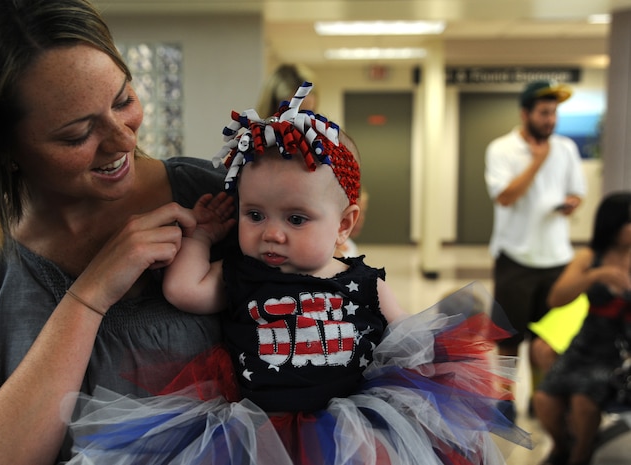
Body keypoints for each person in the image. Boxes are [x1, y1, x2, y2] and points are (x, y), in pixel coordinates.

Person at [65, 83, 531, 465]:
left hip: (353, 425)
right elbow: (184, 290)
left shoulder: (363, 281)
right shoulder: (240, 274)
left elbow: (410, 338)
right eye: (254, 215)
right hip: (257, 428)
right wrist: (203, 239)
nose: (272, 234)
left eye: (296, 219)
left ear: (343, 225)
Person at [0, 1, 236, 464]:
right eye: (77, 134)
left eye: (123, 101)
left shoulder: (225, 202)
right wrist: (89, 295)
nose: (123, 141)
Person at [484, 79, 587, 420]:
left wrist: (572, 203)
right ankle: (506, 398)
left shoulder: (567, 148)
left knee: (545, 339)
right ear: (525, 113)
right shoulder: (502, 149)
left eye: (554, 113)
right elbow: (505, 196)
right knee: (509, 337)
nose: (550, 120)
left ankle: (539, 397)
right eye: (544, 113)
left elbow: (577, 191)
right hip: (515, 257)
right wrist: (537, 161)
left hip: (557, 259)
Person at [533, 192, 631, 465]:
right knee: (544, 399)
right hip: (588, 341)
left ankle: (581, 455)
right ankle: (563, 447)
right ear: (614, 225)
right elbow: (556, 298)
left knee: (583, 402)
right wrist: (595, 276)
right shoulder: (591, 257)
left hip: (621, 349)